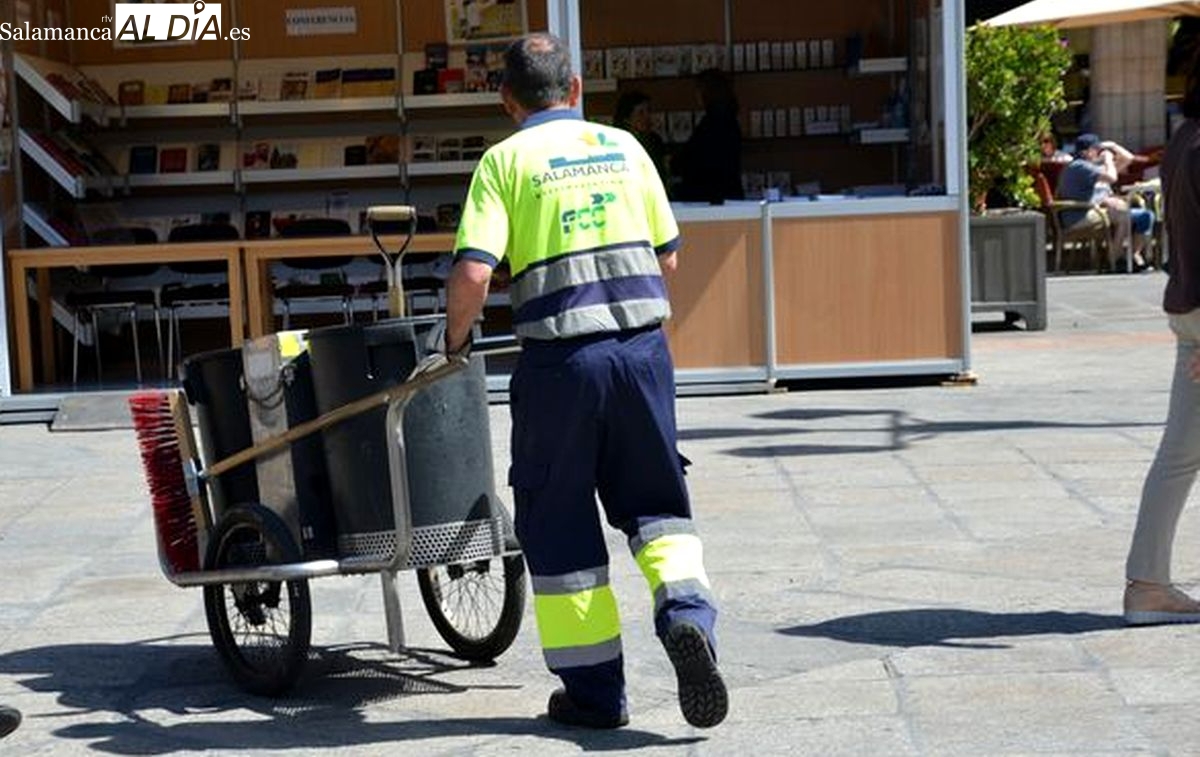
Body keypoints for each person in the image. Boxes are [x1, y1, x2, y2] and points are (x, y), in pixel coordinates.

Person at [444, 32, 727, 730]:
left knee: (561, 522)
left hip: (560, 368)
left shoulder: (503, 161)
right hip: (640, 354)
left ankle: (597, 697)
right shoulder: (627, 148)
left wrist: (453, 343)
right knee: (658, 504)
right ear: (576, 91)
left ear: (508, 100)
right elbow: (667, 260)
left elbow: (475, 273)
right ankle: (687, 615)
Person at [1124, 55, 1200, 626]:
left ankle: (1149, 584)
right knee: (1179, 455)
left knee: (1179, 454)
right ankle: (1148, 586)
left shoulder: (1185, 140)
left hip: (1190, 308)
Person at [1056, 133, 1154, 272]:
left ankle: (1132, 257)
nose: (1100, 152)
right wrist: (1108, 159)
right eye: (1097, 149)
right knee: (1123, 217)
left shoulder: (1091, 167)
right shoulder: (1080, 167)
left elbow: (1129, 158)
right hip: (1079, 215)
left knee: (1145, 216)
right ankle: (1115, 261)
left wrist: (1112, 145)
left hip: (1092, 211)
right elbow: (1112, 178)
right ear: (1086, 152)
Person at [673, 68, 744, 203]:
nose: (696, 95)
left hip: (711, 196)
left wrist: (675, 163)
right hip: (727, 193)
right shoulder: (727, 118)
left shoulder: (713, 122)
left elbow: (697, 158)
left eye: (699, 90)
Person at [613, 90, 668, 184]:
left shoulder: (654, 139)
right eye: (641, 113)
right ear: (627, 118)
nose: (647, 116)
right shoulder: (619, 142)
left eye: (649, 111)